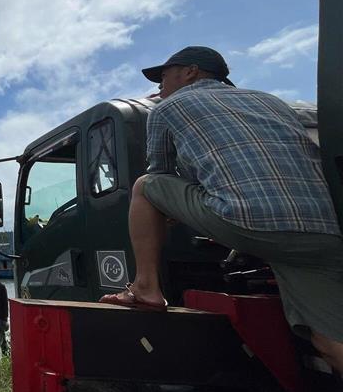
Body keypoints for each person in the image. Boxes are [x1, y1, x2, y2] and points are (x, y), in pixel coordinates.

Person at [99, 45, 343, 372]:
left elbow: (160, 173)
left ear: (191, 72)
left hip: (249, 221)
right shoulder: (273, 102)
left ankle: (146, 287)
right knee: (330, 341)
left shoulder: (168, 107)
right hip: (325, 230)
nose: (160, 85)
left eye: (164, 75)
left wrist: (169, 211)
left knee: (145, 186)